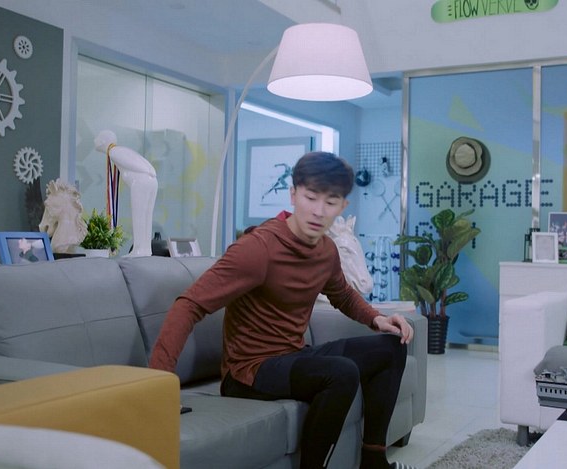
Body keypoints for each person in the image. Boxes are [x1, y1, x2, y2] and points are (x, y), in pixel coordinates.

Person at [149, 152, 415, 469]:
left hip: (293, 356)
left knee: (391, 347)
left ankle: (374, 461)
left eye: (330, 202)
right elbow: (189, 305)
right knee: (341, 372)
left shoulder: (326, 251)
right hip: (249, 372)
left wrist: (377, 318)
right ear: (293, 194)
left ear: (342, 206)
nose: (318, 211)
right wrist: (159, 385)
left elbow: (342, 294)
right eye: (310, 197)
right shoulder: (258, 248)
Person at [94, 130, 157, 257]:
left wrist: (146, 172)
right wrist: (151, 173)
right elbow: (143, 163)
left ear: (102, 141)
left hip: (140, 181)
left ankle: (138, 249)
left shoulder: (114, 152)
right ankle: (145, 249)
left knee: (139, 216)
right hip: (151, 181)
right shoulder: (121, 150)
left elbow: (135, 164)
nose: (95, 141)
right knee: (146, 216)